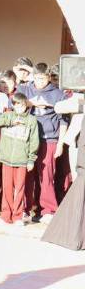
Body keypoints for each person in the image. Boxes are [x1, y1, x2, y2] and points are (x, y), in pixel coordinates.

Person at [16, 64, 67, 222]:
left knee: (46, 175)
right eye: (37, 78)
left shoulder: (58, 94)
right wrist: (31, 103)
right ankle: (25, 209)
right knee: (26, 175)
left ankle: (47, 210)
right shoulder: (25, 89)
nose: (40, 82)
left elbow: (63, 121)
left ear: (49, 77)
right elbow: (15, 105)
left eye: (43, 79)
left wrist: (60, 144)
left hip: (49, 138)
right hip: (27, 138)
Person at [0, 94, 40, 226]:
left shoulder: (32, 120)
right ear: (13, 105)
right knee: (7, 188)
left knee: (19, 189)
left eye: (22, 105)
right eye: (16, 105)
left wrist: (31, 159)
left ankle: (17, 217)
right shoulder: (8, 115)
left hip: (22, 160)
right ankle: (5, 215)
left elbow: (34, 141)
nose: (19, 108)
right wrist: (11, 121)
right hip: (6, 159)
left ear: (26, 105)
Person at [43, 93, 85, 249]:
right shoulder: (79, 97)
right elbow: (59, 107)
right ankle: (73, 233)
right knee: (80, 185)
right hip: (79, 146)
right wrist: (81, 104)